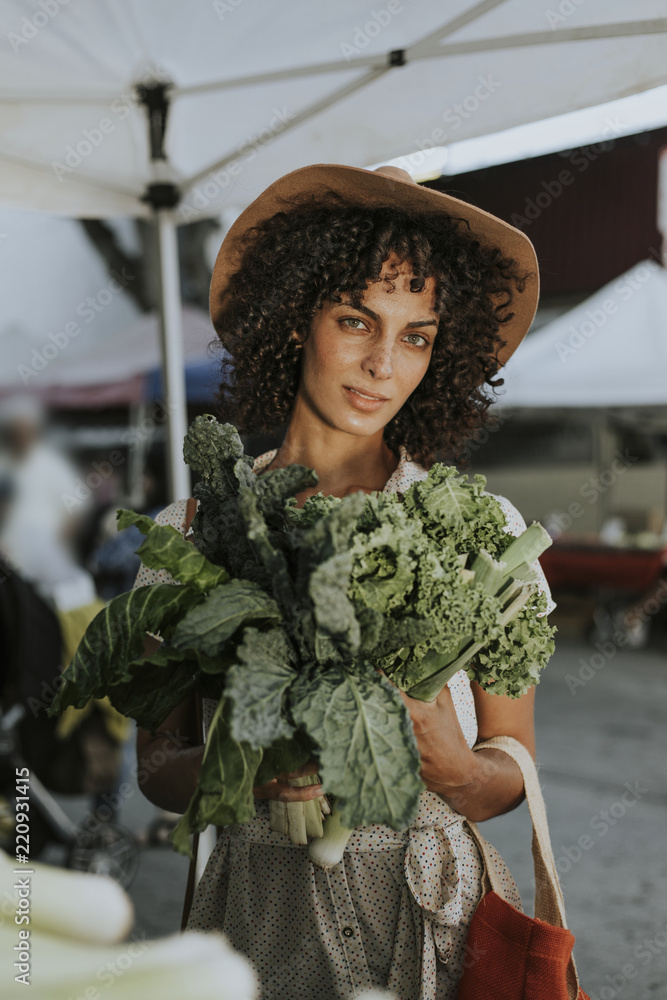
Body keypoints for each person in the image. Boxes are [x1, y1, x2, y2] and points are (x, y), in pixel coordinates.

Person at [135, 163, 556, 1000]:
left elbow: (509, 769)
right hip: (260, 921)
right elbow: (157, 767)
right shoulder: (192, 532)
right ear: (297, 320)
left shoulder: (481, 532)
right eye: (356, 320)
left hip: (438, 917)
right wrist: (244, 763)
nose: (381, 365)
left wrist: (454, 768)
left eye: (415, 336)